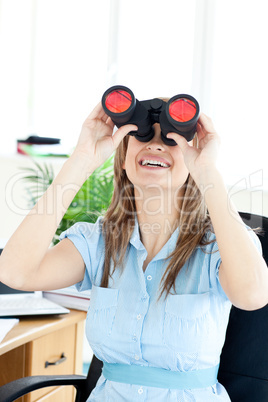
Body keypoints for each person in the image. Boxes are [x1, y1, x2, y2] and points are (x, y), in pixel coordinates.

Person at [0, 100, 268, 401]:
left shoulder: (218, 246)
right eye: (142, 135)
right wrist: (82, 160)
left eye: (170, 137)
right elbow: (15, 273)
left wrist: (207, 171)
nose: (155, 145)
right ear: (123, 159)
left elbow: (253, 295)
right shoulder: (98, 242)